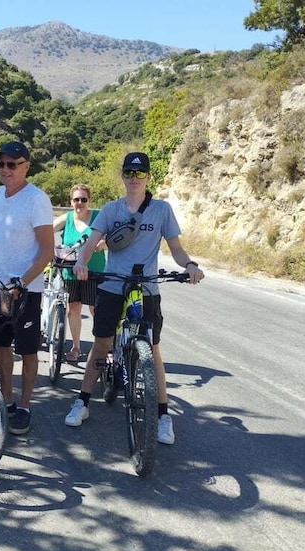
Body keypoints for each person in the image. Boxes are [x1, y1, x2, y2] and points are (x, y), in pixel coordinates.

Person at [64, 151, 204, 445]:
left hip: (147, 288)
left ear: (149, 177)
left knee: (152, 351)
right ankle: (83, 402)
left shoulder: (162, 210)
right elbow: (91, 243)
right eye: (129, 173)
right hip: (113, 286)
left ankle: (164, 416)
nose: (134, 178)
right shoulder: (112, 210)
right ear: (123, 176)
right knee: (101, 345)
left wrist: (189, 265)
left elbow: (176, 248)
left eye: (140, 173)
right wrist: (80, 263)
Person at [0, 141, 54, 435]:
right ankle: (7, 400)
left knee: (27, 350)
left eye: (13, 164)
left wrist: (22, 282)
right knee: (0, 346)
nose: (6, 169)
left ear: (26, 166)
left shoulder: (37, 199)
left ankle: (24, 405)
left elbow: (47, 250)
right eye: (1, 164)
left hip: (26, 290)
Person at [52, 184, 106, 363]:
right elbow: (45, 230)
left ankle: (104, 347)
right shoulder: (66, 219)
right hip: (71, 271)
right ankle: (76, 347)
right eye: (76, 199)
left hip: (94, 271)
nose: (80, 203)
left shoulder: (98, 217)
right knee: (73, 308)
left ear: (89, 200)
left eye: (84, 199)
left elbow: (110, 238)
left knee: (96, 310)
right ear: (71, 201)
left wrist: (103, 243)